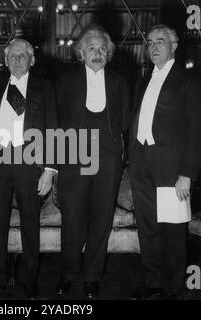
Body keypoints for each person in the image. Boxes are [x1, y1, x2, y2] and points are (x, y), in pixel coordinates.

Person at [129, 24, 201, 300]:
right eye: (149, 42)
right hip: (141, 165)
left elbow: (196, 132)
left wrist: (187, 173)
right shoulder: (142, 80)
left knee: (173, 231)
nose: (153, 47)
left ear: (174, 46)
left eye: (160, 41)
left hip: (172, 168)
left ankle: (174, 289)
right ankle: (153, 283)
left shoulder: (189, 80)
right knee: (148, 227)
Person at [0, 39, 58, 299]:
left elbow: (53, 127)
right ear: (6, 60)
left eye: (23, 56)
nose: (18, 60)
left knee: (29, 222)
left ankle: (28, 279)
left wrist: (49, 169)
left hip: (30, 161)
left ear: (32, 60)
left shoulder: (45, 87)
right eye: (13, 56)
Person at [55, 24, 130, 299]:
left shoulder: (120, 81)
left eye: (102, 49)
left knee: (101, 219)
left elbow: (126, 122)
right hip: (74, 156)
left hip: (109, 157)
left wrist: (122, 155)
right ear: (81, 52)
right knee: (72, 217)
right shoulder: (65, 80)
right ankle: (68, 273)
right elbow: (56, 120)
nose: (97, 53)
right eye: (92, 48)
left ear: (108, 53)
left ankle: (93, 277)